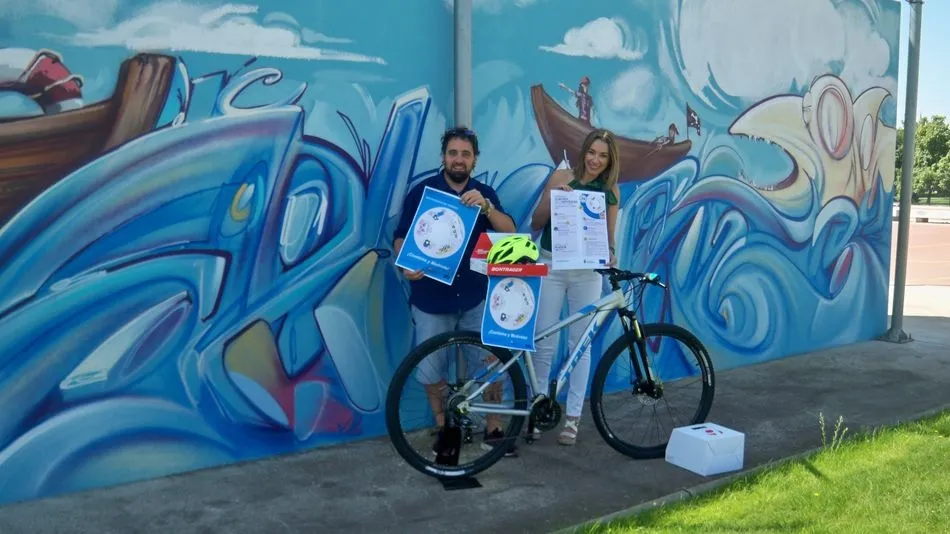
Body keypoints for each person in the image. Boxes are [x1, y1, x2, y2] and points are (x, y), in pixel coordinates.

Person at [392, 126, 518, 457]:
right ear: (443, 157)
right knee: (432, 367)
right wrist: (406, 265)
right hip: (432, 299)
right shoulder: (422, 193)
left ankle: (494, 426)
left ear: (474, 159)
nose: (458, 159)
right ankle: (442, 424)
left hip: (476, 295)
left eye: (465, 154)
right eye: (453, 153)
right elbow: (401, 238)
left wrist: (488, 209)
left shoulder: (484, 192)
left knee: (492, 363)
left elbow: (511, 232)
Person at [529, 128, 621, 446]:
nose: (596, 160)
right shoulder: (562, 177)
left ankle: (572, 418)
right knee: (544, 342)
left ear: (610, 161)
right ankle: (538, 409)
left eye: (603, 155)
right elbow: (535, 222)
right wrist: (557, 198)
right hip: (552, 265)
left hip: (586, 273)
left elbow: (609, 239)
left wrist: (610, 253)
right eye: (592, 152)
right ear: (584, 152)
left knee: (580, 346)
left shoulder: (610, 191)